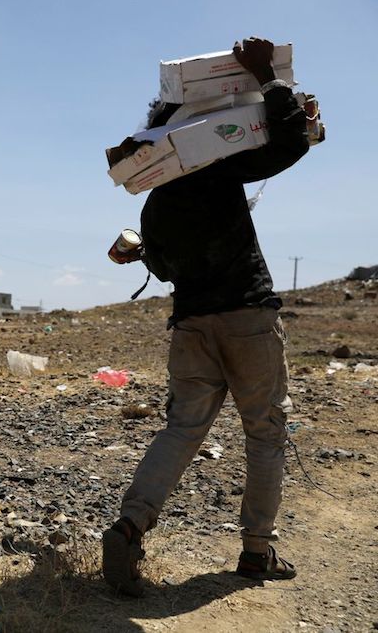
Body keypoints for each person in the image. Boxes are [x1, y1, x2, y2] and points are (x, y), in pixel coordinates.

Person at [102, 38, 310, 597]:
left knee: (182, 430)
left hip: (193, 325)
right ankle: (255, 553)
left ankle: (131, 525)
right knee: (264, 433)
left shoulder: (154, 200)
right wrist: (268, 79)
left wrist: (143, 253)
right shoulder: (221, 170)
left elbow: (168, 269)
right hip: (247, 315)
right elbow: (291, 142)